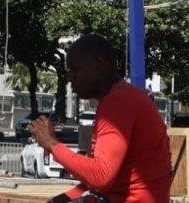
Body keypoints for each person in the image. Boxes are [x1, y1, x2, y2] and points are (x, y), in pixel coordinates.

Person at [28, 34, 172, 203]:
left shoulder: (117, 103)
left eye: (75, 69)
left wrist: (51, 144)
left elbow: (101, 176)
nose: (70, 77)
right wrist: (64, 198)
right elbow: (105, 179)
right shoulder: (127, 96)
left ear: (99, 64)